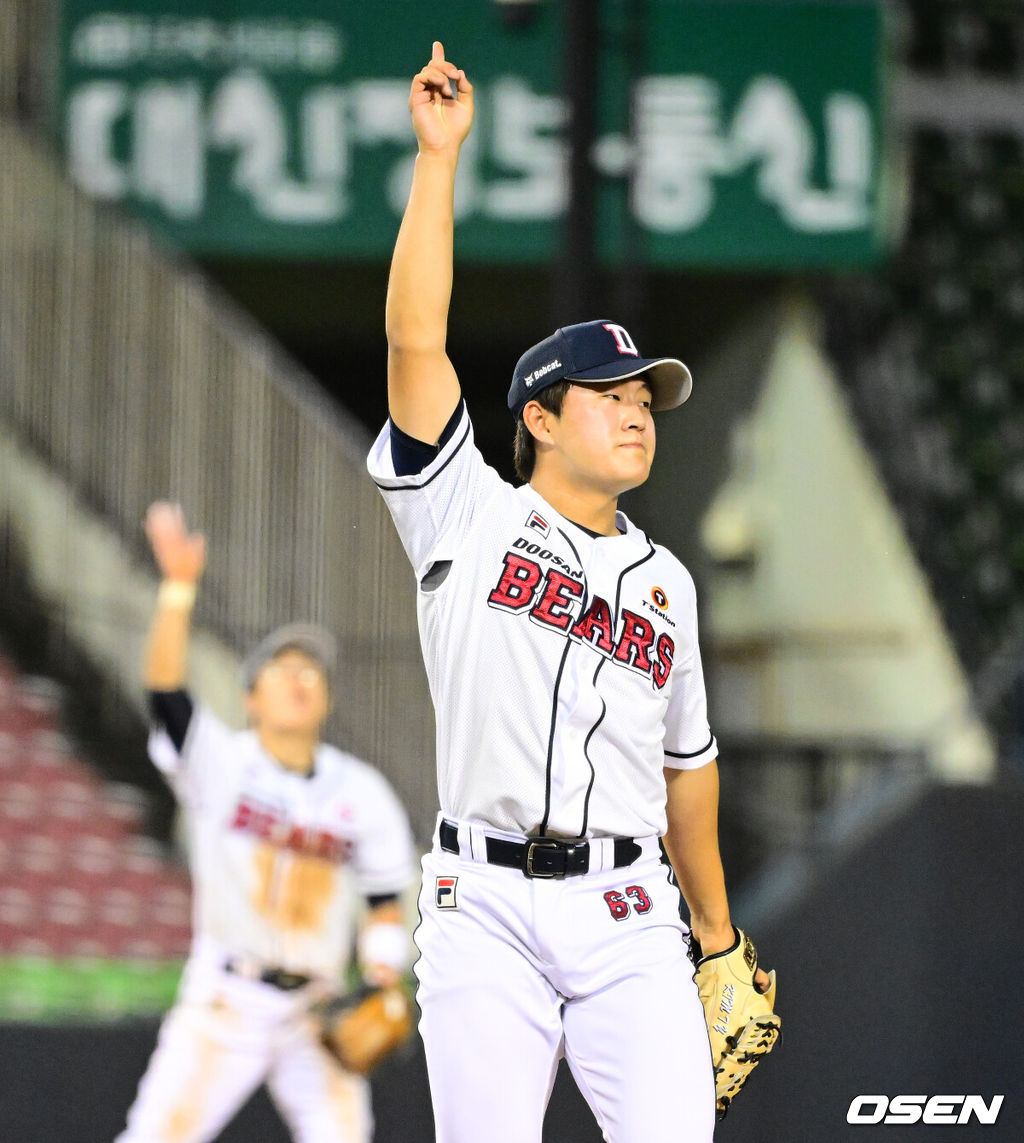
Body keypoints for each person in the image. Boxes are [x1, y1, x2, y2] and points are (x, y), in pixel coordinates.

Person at [365, 42, 772, 1143]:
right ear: (539, 417)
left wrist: (720, 937)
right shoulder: (469, 512)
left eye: (646, 396)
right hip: (481, 904)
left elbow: (689, 773)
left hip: (630, 913)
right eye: (607, 395)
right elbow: (413, 339)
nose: (637, 411)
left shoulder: (667, 587)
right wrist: (438, 160)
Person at [114, 501, 415, 1143]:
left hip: (316, 1010)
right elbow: (167, 696)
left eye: (312, 671)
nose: (301, 679)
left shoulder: (362, 792)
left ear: (327, 699)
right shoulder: (223, 762)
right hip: (228, 998)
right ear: (251, 697)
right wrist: (177, 590)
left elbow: (384, 896)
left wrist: (384, 972)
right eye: (283, 669)